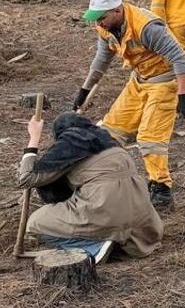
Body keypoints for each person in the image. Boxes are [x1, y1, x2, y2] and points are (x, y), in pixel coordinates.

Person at [73, 0, 185, 211]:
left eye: (101, 18)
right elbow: (102, 59)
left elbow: (179, 58)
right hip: (139, 80)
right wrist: (84, 90)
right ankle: (111, 182)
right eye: (95, 18)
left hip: (165, 81)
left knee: (150, 138)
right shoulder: (106, 28)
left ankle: (161, 189)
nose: (98, 23)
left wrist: (184, 97)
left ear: (117, 11)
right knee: (110, 131)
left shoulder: (146, 27)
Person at [18, 111, 164, 261]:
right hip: (141, 218)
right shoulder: (111, 141)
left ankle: (93, 246)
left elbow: (27, 178)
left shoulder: (72, 142)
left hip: (106, 211)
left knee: (35, 223)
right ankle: (114, 240)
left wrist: (34, 138)